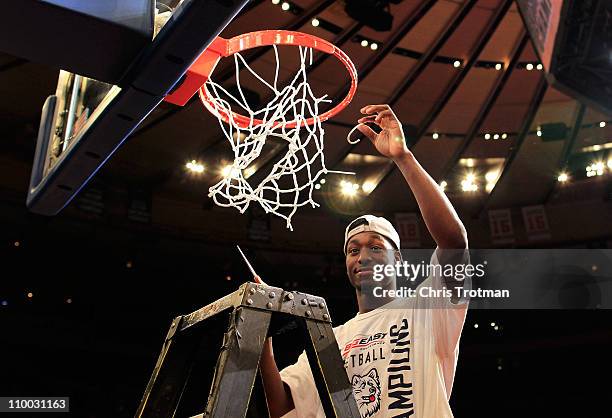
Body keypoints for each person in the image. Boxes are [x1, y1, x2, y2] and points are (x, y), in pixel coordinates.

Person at [259, 104, 470, 418]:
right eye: (353, 250)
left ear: (397, 258)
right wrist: (260, 328)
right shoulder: (332, 341)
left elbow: (454, 244)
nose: (363, 256)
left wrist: (403, 157)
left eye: (375, 247)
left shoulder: (425, 308)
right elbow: (280, 405)